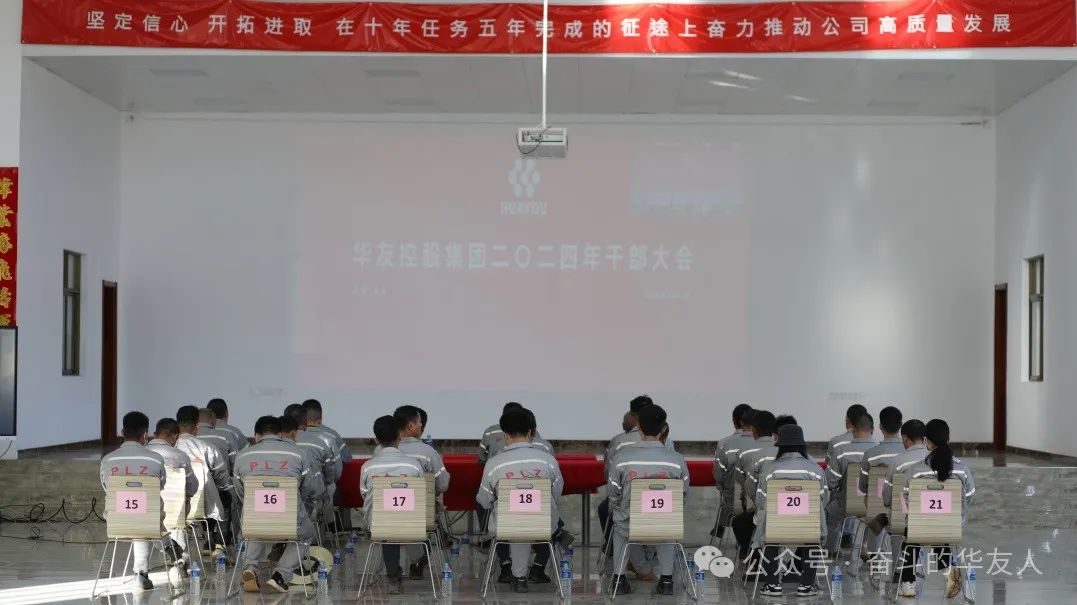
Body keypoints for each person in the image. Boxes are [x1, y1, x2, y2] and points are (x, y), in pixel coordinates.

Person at [476, 407, 564, 594]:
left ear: (505, 434)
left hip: (506, 526)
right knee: (528, 519)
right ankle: (529, 572)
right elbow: (556, 494)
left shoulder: (494, 464)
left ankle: (519, 577)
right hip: (543, 524)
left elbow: (484, 501)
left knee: (515, 521)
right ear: (531, 432)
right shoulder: (548, 461)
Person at [607, 403, 689, 596]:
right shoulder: (676, 460)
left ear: (639, 426)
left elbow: (613, 492)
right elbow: (683, 494)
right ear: (663, 428)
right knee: (668, 525)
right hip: (663, 523)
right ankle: (666, 581)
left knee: (620, 525)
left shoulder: (622, 458)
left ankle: (619, 580)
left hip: (630, 524)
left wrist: (622, 509)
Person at [235, 416, 321, 594]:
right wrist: (296, 503)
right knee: (306, 534)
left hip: (254, 518)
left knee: (254, 527)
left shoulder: (242, 456)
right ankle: (281, 575)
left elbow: (240, 491)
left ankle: (250, 567)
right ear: (280, 434)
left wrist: (255, 504)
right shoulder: (298, 453)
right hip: (289, 518)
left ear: (256, 436)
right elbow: (310, 488)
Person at [897, 419, 974, 599]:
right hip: (951, 525)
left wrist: (919, 514)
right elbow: (969, 495)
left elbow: (906, 496)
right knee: (939, 532)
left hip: (920, 525)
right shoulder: (962, 469)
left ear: (926, 441)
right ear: (948, 439)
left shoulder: (915, 470)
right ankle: (949, 572)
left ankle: (908, 584)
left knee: (912, 537)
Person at [752, 424, 829, 597]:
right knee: (812, 535)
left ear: (780, 446)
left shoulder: (769, 469)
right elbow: (824, 500)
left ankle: (773, 585)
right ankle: (807, 586)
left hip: (776, 526)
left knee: (769, 534)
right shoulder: (815, 470)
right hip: (807, 527)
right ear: (802, 446)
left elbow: (760, 501)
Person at [100, 412, 168, 591]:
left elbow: (107, 489)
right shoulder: (155, 459)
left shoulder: (107, 460)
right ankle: (143, 570)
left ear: (123, 432)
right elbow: (160, 487)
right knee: (146, 510)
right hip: (148, 521)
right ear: (145, 435)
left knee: (139, 512)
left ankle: (144, 569)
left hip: (116, 521)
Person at [360, 415, 426, 594]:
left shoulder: (368, 467)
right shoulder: (413, 466)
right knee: (396, 519)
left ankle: (393, 577)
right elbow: (420, 496)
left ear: (376, 440)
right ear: (399, 436)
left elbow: (364, 494)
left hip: (379, 525)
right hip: (411, 524)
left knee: (386, 521)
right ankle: (417, 560)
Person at [600, 396, 677, 545]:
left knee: (605, 509)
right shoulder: (668, 443)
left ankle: (616, 552)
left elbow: (609, 476)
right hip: (662, 511)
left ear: (633, 416)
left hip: (627, 511)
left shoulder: (619, 442)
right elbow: (680, 486)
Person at [392, 405, 450, 579]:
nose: (421, 425)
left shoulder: (380, 452)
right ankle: (417, 561)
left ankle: (393, 569)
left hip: (386, 517)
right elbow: (443, 485)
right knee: (420, 510)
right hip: (420, 516)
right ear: (410, 426)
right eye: (419, 422)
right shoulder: (428, 453)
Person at [176, 405, 233, 550]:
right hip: (201, 505)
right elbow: (222, 478)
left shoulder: (171, 448)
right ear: (197, 424)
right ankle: (219, 544)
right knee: (224, 495)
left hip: (172, 507)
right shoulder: (207, 448)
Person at [146, 417, 199, 566]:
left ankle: (167, 548)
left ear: (154, 434)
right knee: (182, 501)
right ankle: (179, 555)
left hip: (145, 512)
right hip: (175, 509)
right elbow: (193, 486)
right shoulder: (180, 456)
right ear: (176, 436)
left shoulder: (142, 454)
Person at [825, 412, 878, 551]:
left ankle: (831, 550)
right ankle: (867, 546)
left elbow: (830, 482)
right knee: (876, 513)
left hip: (846, 503)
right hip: (875, 504)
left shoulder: (841, 450)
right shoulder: (879, 451)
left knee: (831, 512)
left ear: (853, 429)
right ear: (872, 430)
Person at [857, 407, 906, 555]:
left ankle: (873, 555)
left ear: (880, 426)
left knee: (875, 507)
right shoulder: (907, 455)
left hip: (877, 509)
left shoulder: (870, 454)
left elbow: (863, 486)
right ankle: (901, 558)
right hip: (905, 509)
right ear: (900, 426)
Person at [730, 410, 777, 560]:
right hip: (792, 515)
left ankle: (751, 555)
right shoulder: (781, 451)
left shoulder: (745, 452)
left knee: (740, 521)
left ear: (754, 430)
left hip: (761, 509)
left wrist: (757, 504)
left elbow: (745, 483)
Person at [713, 407, 755, 538]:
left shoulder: (724, 443)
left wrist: (725, 491)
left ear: (735, 421)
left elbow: (718, 476)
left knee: (729, 496)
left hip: (734, 502)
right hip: (759, 505)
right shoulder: (765, 447)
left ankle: (721, 526)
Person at [302, 399, 352, 464]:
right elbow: (347, 458)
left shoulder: (294, 435)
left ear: (302, 416)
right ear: (321, 417)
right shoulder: (332, 435)